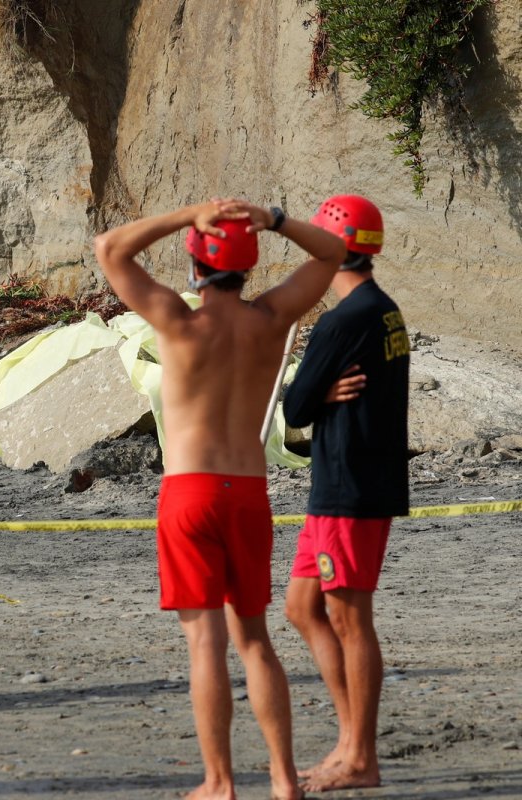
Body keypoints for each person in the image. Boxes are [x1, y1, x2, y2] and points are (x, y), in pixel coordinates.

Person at [94, 199, 346, 800]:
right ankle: (284, 779)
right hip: (248, 491)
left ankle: (220, 781)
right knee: (254, 639)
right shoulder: (271, 319)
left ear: (195, 265)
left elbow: (111, 249)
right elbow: (334, 253)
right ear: (248, 266)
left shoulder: (178, 322)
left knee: (205, 641)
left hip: (190, 490)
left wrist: (189, 215)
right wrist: (275, 219)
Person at [282, 195, 408, 792]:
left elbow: (297, 405)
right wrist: (325, 391)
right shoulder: (383, 310)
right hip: (344, 481)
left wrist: (320, 392)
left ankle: (361, 755)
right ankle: (348, 739)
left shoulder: (343, 320)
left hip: (350, 485)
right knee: (302, 609)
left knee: (349, 617)